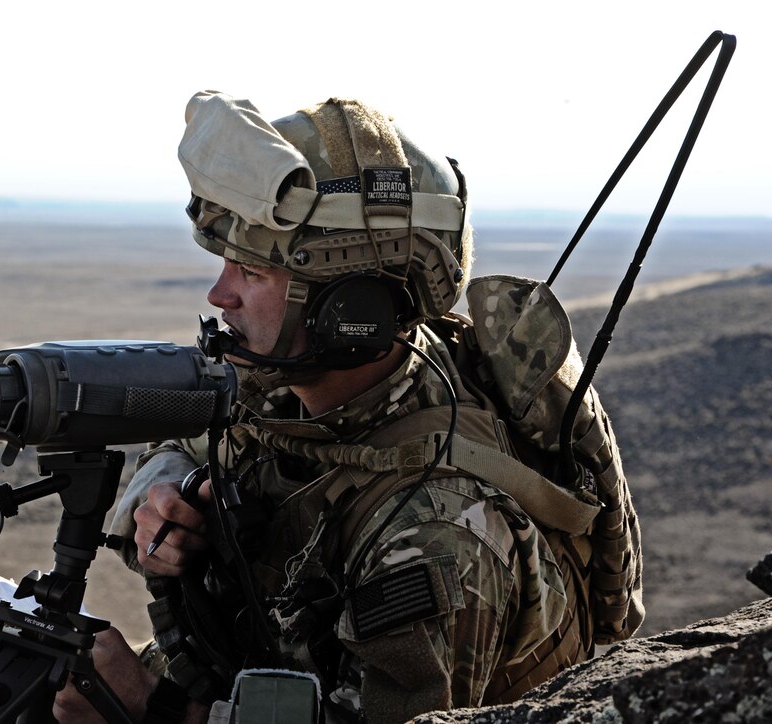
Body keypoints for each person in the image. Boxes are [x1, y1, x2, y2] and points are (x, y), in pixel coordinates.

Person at [54, 92, 642, 723]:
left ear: (352, 310)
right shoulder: (299, 386)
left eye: (252, 272)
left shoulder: (438, 533)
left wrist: (151, 713)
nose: (219, 293)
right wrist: (162, 498)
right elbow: (196, 437)